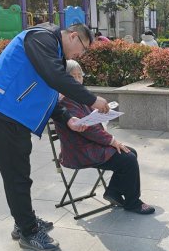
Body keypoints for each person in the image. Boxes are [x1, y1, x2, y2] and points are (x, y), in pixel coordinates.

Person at [0, 23, 111, 251]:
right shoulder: (41, 38)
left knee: (19, 173)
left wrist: (68, 118)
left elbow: (48, 92)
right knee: (17, 175)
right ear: (73, 36)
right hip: (2, 111)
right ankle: (28, 232)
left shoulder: (53, 50)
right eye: (83, 48)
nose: (81, 55)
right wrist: (92, 99)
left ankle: (23, 220)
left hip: (12, 114)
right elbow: (54, 78)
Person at [53, 60, 155, 214]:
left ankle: (113, 191)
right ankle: (133, 203)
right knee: (128, 159)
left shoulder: (78, 96)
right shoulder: (65, 99)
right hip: (79, 151)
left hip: (88, 144)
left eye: (80, 75)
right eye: (73, 76)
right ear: (65, 79)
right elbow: (88, 129)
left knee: (130, 153)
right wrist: (112, 141)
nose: (78, 80)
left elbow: (90, 122)